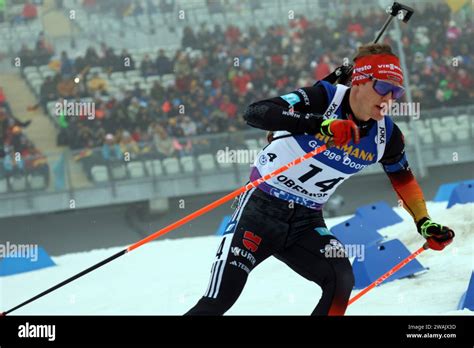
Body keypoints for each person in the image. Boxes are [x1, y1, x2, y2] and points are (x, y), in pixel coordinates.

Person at [185, 43, 455, 316]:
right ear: (359, 81)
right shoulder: (324, 97)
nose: (389, 98)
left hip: (307, 220)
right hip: (261, 209)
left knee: (341, 278)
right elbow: (255, 112)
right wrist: (320, 124)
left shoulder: (387, 136)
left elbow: (404, 180)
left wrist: (424, 222)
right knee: (219, 301)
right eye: (383, 87)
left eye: (396, 92)